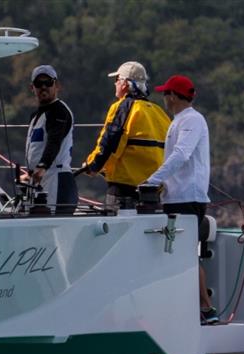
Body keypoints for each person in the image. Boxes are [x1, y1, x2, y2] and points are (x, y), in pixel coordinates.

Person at [143, 74, 217, 324]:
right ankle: (191, 307)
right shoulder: (180, 120)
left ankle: (206, 309)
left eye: (165, 93)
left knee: (185, 255)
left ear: (172, 96)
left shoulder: (192, 120)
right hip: (176, 198)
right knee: (178, 254)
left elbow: (181, 154)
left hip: (187, 198)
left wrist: (153, 180)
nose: (163, 97)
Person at [83, 61, 170, 209]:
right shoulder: (159, 112)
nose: (115, 84)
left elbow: (110, 143)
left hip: (123, 191)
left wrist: (93, 165)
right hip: (153, 193)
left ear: (124, 83)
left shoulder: (122, 107)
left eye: (116, 80)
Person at [22, 64, 77, 214]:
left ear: (57, 85)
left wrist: (42, 166)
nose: (43, 87)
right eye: (39, 84)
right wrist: (31, 173)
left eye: (48, 83)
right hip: (40, 180)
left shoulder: (59, 111)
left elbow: (54, 141)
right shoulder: (35, 116)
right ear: (32, 88)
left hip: (56, 179)